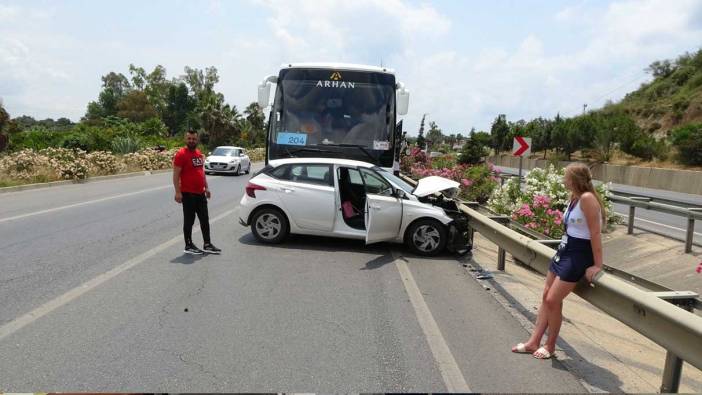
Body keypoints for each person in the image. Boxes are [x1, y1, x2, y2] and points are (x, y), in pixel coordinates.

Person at [512, 163, 605, 359]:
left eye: (566, 176)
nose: (564, 180)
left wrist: (597, 265)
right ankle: (533, 342)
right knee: (546, 296)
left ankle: (550, 345)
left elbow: (595, 233)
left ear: (574, 179)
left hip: (579, 253)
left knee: (553, 299)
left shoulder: (588, 199)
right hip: (564, 249)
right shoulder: (574, 198)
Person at [173, 130, 221, 255]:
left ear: (197, 140)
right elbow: (176, 175)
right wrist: (177, 192)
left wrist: (207, 188)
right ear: (185, 139)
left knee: (204, 219)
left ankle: (207, 244)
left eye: (193, 139)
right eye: (189, 138)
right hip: (188, 193)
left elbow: (202, 172)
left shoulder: (199, 153)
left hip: (200, 193)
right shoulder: (181, 154)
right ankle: (188, 245)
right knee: (189, 220)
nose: (191, 141)